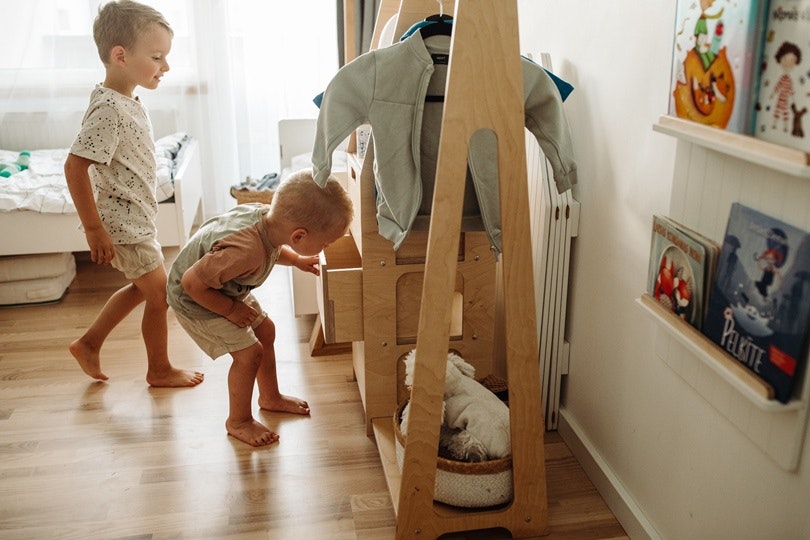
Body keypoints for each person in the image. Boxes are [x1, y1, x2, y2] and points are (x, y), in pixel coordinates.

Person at [64, 0, 204, 388]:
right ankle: (158, 369)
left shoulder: (127, 100)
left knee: (143, 290)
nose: (166, 67)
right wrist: (94, 229)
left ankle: (89, 343)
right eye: (157, 57)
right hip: (122, 223)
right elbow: (75, 166)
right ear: (120, 55)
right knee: (160, 295)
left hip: (137, 217)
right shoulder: (109, 108)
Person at [167, 171, 353, 447]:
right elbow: (192, 283)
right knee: (249, 353)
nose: (326, 248)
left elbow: (274, 248)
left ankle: (270, 397)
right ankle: (238, 421)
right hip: (196, 298)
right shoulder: (244, 250)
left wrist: (297, 260)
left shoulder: (268, 220)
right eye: (325, 243)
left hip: (223, 287)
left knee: (266, 331)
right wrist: (230, 310)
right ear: (299, 235)